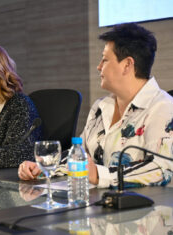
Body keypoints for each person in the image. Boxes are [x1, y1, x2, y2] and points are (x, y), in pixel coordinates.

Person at [18, 23, 173, 188]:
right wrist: (43, 168)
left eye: (105, 60)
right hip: (100, 204)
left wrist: (99, 175)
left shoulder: (162, 107)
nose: (99, 66)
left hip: (145, 209)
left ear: (127, 65)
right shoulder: (101, 106)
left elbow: (162, 168)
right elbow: (80, 156)